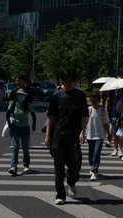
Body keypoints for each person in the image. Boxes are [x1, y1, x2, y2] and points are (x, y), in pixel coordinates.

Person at [45, 68, 89, 205]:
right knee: (58, 168)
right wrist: (48, 135)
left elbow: (84, 115)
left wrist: (82, 131)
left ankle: (71, 181)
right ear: (62, 81)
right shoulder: (56, 96)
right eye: (67, 81)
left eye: (72, 81)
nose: (70, 84)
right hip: (58, 135)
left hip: (74, 136)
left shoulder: (80, 96)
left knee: (76, 165)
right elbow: (50, 116)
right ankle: (60, 195)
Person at [6, 88, 36, 176]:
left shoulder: (28, 104)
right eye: (19, 95)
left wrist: (33, 125)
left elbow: (33, 115)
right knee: (15, 147)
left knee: (25, 148)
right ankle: (13, 167)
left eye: (22, 95)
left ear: (25, 96)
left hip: (25, 128)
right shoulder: (14, 103)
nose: (20, 97)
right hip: (15, 128)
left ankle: (26, 164)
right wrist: (9, 122)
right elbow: (7, 113)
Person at [86, 92, 109, 180]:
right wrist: (81, 133)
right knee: (91, 155)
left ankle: (94, 171)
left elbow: (106, 123)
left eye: (95, 101)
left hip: (99, 135)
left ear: (99, 101)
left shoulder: (103, 111)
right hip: (90, 135)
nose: (94, 103)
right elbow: (84, 122)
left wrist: (109, 134)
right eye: (92, 101)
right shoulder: (88, 110)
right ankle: (93, 166)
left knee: (96, 153)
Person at [106, 89, 123, 157]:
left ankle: (120, 149)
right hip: (113, 113)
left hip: (122, 114)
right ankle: (115, 148)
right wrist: (106, 111)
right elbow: (107, 100)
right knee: (115, 133)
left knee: (121, 133)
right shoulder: (112, 91)